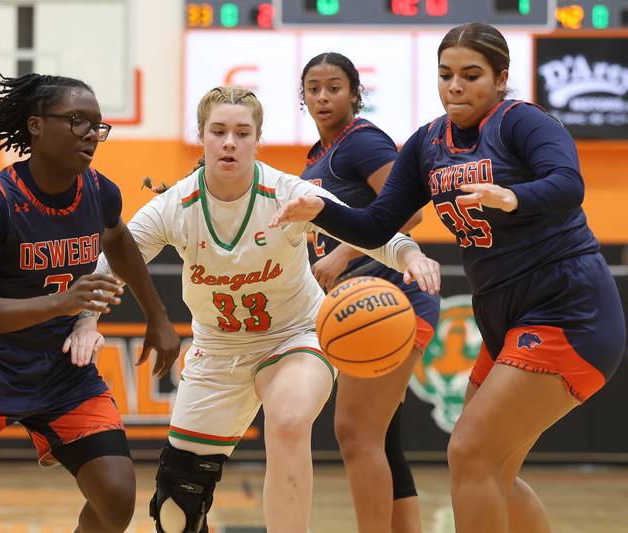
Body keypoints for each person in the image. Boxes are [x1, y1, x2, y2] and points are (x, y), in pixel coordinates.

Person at [271, 22, 626, 533]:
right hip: (506, 316)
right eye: (446, 75)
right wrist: (318, 209)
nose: (455, 86)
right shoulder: (427, 143)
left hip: (568, 310)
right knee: (493, 468)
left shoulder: (521, 122)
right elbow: (377, 224)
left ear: (501, 78)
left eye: (471, 75)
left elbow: (568, 184)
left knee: (469, 454)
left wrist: (514, 196)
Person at [68, 86, 440, 533]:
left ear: (257, 139)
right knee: (176, 506)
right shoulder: (175, 205)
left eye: (242, 133)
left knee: (287, 420)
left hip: (296, 335)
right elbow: (113, 262)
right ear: (202, 136)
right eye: (219, 131)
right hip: (218, 350)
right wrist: (87, 321)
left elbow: (367, 226)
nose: (229, 142)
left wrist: (408, 254)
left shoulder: (288, 193)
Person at [0, 73, 181, 533]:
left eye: (98, 126)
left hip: (63, 373)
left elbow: (120, 237)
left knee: (118, 496)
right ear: (37, 125)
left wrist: (158, 316)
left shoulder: (101, 191)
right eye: (77, 121)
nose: (91, 134)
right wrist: (62, 304)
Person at [300, 52, 440, 533]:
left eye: (334, 86)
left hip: (390, 298)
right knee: (381, 439)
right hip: (360, 304)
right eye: (313, 87)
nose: (323, 96)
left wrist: (341, 255)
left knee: (355, 432)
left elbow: (410, 211)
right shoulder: (317, 156)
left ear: (355, 94)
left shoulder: (362, 142)